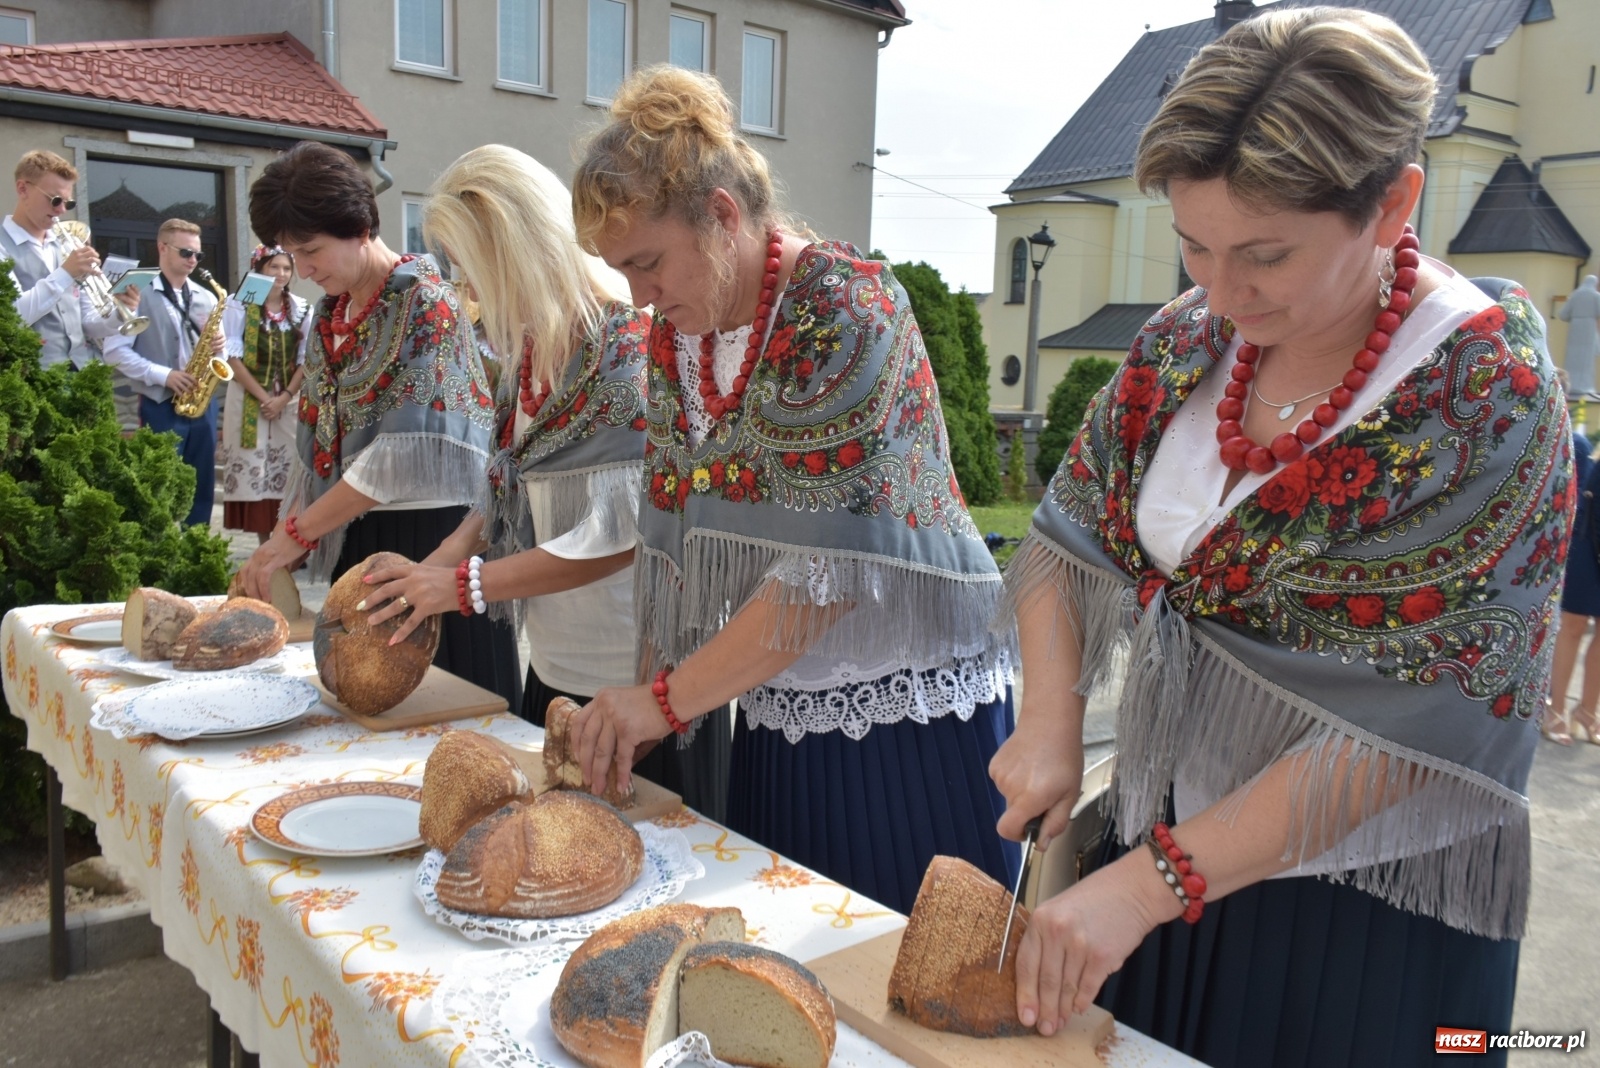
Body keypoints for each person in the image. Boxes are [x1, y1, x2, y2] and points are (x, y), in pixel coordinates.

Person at [988, 9, 1569, 1066]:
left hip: (1359, 910)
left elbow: (1424, 722)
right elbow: (1068, 533)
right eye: (1193, 245)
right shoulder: (1188, 338)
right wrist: (1049, 719)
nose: (1219, 289)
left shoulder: (1489, 395)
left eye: (1263, 254)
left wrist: (1153, 881)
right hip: (1161, 855)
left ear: (1394, 203)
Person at [564, 66, 1018, 915]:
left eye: (648, 263)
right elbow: (676, 548)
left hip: (902, 731)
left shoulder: (848, 310)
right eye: (621, 272)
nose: (639, 297)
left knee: (895, 1001)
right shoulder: (679, 340)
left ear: (724, 219)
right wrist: (649, 703)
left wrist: (660, 703)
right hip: (773, 713)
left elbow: (827, 577)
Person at [352, 145, 729, 819]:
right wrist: (430, 572)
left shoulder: (623, 351)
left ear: (513, 250)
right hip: (554, 672)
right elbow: (507, 485)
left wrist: (461, 585)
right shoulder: (531, 353)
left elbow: (613, 540)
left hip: (635, 689)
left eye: (471, 267)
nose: (464, 289)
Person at [235, 141, 521, 711]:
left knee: (449, 713)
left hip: (434, 543)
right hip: (357, 538)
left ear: (361, 226)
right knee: (367, 712)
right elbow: (315, 439)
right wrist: (291, 532)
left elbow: (396, 460)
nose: (305, 269)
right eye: (292, 252)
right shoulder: (329, 313)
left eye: (312, 251)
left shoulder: (427, 302)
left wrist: (293, 535)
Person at [100, 218, 220, 528]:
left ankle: (197, 550)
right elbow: (113, 351)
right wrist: (163, 375)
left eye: (198, 255)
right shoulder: (136, 293)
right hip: (157, 402)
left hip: (201, 403)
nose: (192, 260)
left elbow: (223, 352)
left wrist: (221, 347)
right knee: (159, 487)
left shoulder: (206, 296)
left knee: (201, 485)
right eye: (185, 252)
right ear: (162, 248)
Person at [218, 244, 309, 544]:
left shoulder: (300, 307)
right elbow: (232, 358)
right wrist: (263, 397)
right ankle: (263, 542)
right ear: (259, 268)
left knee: (288, 466)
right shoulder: (239, 304)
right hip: (247, 397)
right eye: (274, 267)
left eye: (286, 268)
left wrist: (283, 397)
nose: (281, 274)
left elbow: (306, 360)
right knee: (254, 468)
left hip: (287, 399)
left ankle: (288, 539)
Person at [0, 150, 125, 370]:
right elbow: (12, 317)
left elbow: (85, 321)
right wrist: (65, 273)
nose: (60, 211)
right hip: (31, 378)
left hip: (81, 372)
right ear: (23, 189)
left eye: (68, 204)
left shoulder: (68, 245)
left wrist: (119, 313)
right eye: (55, 200)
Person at [1557, 275, 1600, 396]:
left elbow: (1563, 314)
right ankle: (1584, 385)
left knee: (1573, 355)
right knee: (1586, 358)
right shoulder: (1596, 296)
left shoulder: (1575, 295)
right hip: (1589, 328)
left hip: (1575, 327)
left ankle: (1572, 383)